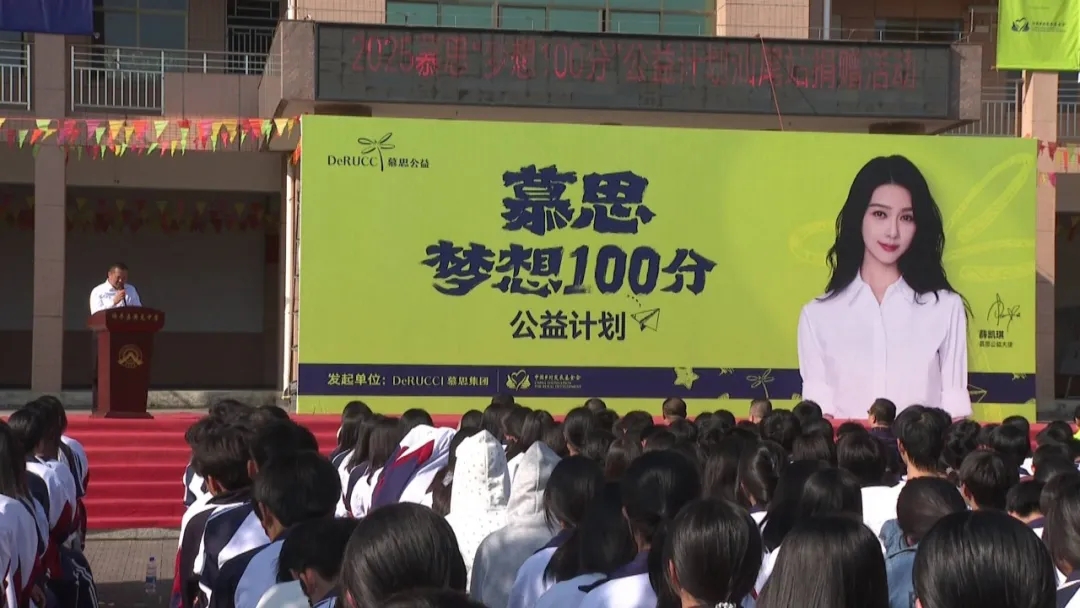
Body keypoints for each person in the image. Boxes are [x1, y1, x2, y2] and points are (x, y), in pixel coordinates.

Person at [796, 155, 971, 419]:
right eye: (880, 214)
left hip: (921, 447)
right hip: (846, 447)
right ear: (859, 217)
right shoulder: (818, 315)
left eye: (906, 218)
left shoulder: (945, 307)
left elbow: (955, 413)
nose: (892, 231)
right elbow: (819, 420)